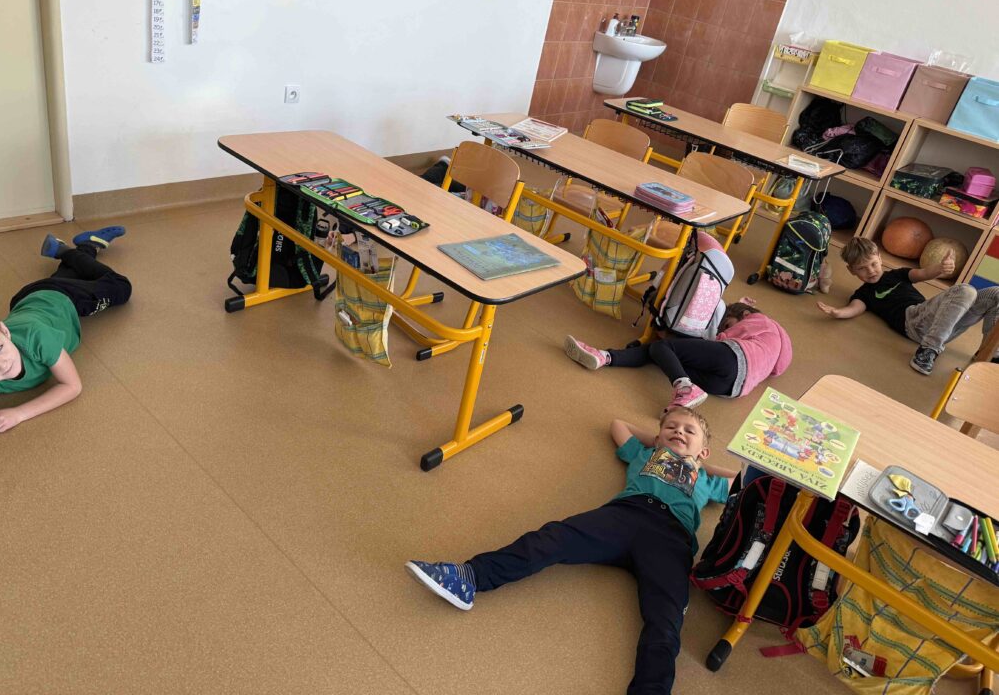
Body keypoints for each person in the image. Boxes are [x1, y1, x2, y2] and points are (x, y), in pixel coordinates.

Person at [405, 406, 737, 695]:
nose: (678, 432)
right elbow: (618, 425)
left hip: (671, 538)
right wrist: (659, 442)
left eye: (688, 431)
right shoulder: (644, 453)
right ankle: (470, 577)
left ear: (705, 451)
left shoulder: (707, 480)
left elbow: (743, 479)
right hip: (625, 515)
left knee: (665, 621)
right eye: (671, 428)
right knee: (552, 538)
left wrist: (698, 462)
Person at [0, 227, 131, 447]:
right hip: (30, 299)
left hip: (64, 298)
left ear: (4, 331)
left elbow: (72, 386)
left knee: (121, 287)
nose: (1, 364)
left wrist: (19, 413)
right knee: (73, 274)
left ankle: (72, 251)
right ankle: (74, 249)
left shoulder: (37, 337)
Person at [563, 299, 793, 412]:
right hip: (731, 389)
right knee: (661, 354)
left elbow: (722, 339)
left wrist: (717, 335)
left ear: (745, 314)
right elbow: (779, 368)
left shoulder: (761, 321)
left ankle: (685, 387)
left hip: (734, 358)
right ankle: (605, 357)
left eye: (727, 324)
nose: (724, 329)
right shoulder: (777, 345)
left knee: (664, 347)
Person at [817, 237, 999, 375]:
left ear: (879, 258)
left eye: (873, 264)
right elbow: (855, 308)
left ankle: (988, 353)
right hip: (914, 322)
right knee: (966, 290)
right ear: (851, 270)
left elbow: (924, 273)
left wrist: (941, 268)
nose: (870, 271)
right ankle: (927, 351)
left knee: (995, 294)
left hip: (942, 324)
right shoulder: (864, 293)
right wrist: (838, 312)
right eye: (862, 268)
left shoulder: (898, 274)